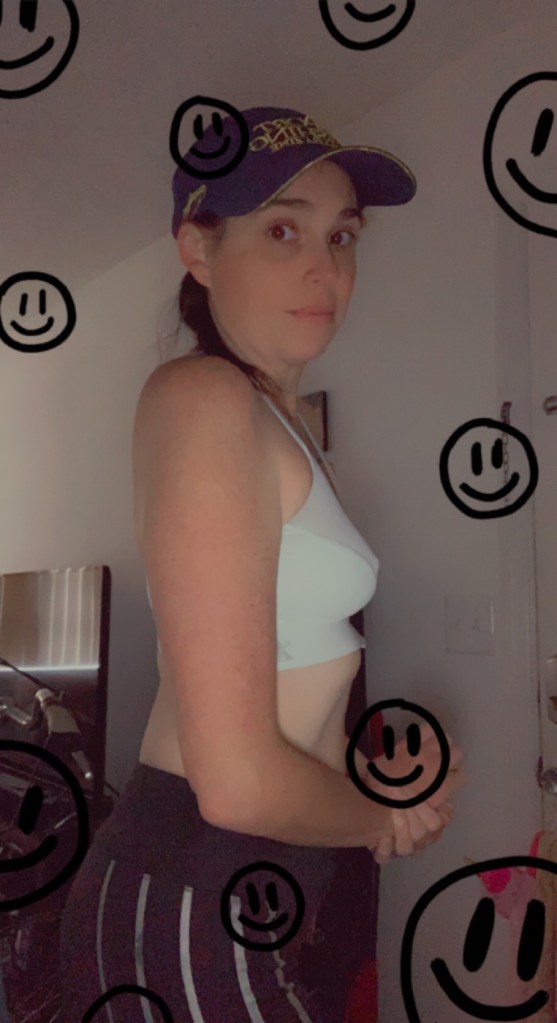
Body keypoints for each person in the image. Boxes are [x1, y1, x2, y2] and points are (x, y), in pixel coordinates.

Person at [59, 106, 464, 1023]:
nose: (325, 267)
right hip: (190, 890)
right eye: (283, 230)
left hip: (246, 886)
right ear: (198, 249)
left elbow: (283, 691)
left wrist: (381, 784)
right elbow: (237, 777)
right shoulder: (203, 397)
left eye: (341, 235)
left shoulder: (279, 425)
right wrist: (380, 815)